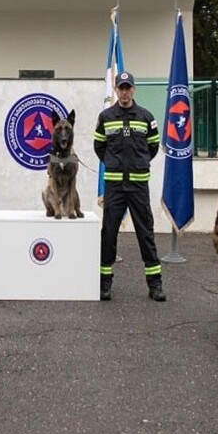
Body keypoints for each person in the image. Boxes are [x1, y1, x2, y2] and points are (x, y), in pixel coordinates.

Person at [93, 71, 165, 302]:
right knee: (109, 233)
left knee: (145, 233)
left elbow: (152, 147)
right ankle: (105, 284)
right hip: (114, 185)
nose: (124, 92)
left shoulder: (146, 117)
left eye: (128, 88)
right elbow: (99, 147)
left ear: (134, 89)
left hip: (138, 185)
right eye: (120, 88)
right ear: (115, 90)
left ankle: (155, 285)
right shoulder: (105, 117)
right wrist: (115, 164)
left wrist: (137, 164)